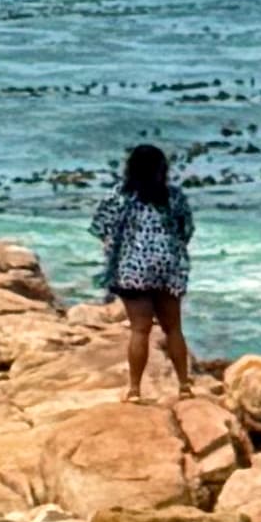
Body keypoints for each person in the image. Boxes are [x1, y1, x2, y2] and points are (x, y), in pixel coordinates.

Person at [94, 138, 195, 394]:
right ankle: (184, 385)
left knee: (140, 331)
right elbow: (186, 230)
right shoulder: (174, 196)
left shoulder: (118, 196)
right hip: (168, 268)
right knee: (173, 329)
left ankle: (135, 390)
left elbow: (100, 229)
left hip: (132, 270)